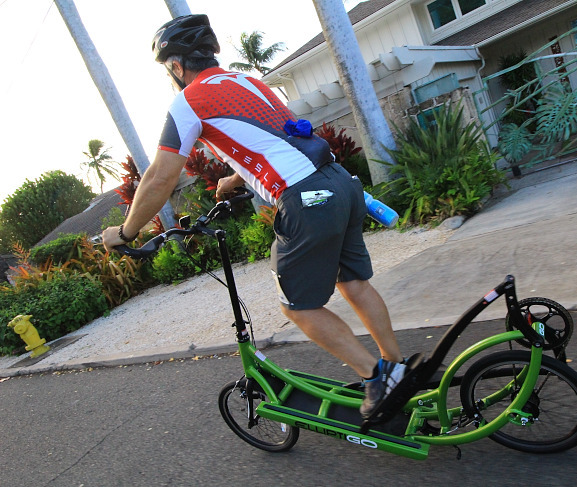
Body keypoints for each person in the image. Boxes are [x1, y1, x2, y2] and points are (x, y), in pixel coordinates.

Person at [101, 14, 415, 418]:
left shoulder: (187, 101)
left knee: (297, 308)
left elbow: (161, 176)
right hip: (340, 181)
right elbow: (282, 136)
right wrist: (236, 178)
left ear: (176, 66)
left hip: (305, 197)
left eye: (169, 69)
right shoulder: (247, 82)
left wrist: (126, 233)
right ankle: (397, 366)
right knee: (353, 282)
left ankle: (378, 378)